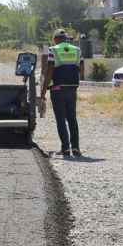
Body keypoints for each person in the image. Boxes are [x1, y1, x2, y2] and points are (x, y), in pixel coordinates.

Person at [41, 29, 82, 157]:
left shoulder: (53, 50)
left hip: (57, 89)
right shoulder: (77, 50)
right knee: (72, 118)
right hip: (72, 88)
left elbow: (50, 71)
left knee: (60, 119)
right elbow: (82, 69)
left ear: (55, 39)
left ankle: (65, 149)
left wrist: (43, 90)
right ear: (66, 39)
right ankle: (75, 148)